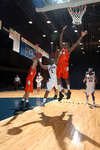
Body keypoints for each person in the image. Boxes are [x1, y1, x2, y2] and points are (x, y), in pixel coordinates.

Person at [56, 25, 88, 101]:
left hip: (65, 66)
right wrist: (62, 31)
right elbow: (60, 40)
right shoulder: (62, 49)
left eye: (67, 44)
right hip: (59, 66)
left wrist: (81, 36)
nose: (65, 44)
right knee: (58, 79)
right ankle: (60, 93)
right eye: (65, 44)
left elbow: (76, 44)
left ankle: (69, 90)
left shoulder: (69, 51)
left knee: (66, 79)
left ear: (69, 46)